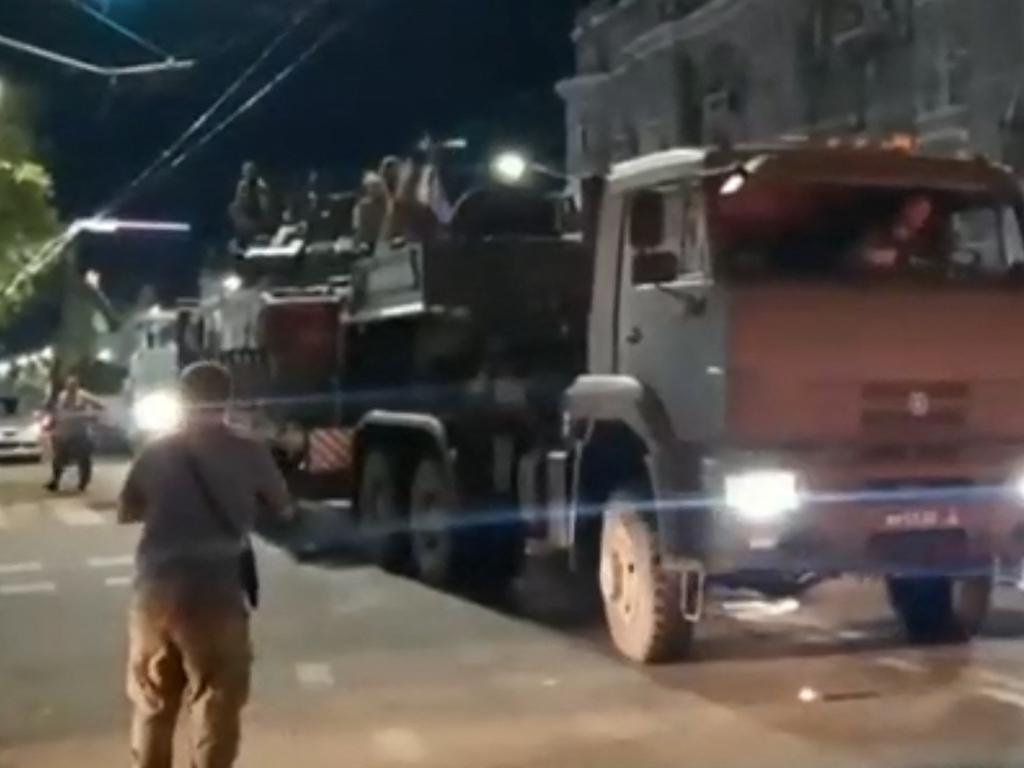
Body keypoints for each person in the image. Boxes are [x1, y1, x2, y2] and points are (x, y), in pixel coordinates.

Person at [118, 362, 293, 768]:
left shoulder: (156, 451)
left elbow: (128, 509)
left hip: (155, 593)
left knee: (153, 703)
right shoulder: (249, 450)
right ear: (229, 399)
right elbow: (283, 508)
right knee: (217, 702)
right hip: (217, 593)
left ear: (182, 398)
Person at [45, 375, 103, 493]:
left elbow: (100, 406)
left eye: (73, 386)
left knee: (83, 459)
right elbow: (55, 411)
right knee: (58, 458)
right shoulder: (61, 396)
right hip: (62, 431)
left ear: (77, 386)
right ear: (66, 386)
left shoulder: (83, 395)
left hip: (79, 432)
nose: (71, 388)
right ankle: (55, 481)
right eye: (69, 386)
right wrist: (52, 423)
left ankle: (83, 483)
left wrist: (90, 415)